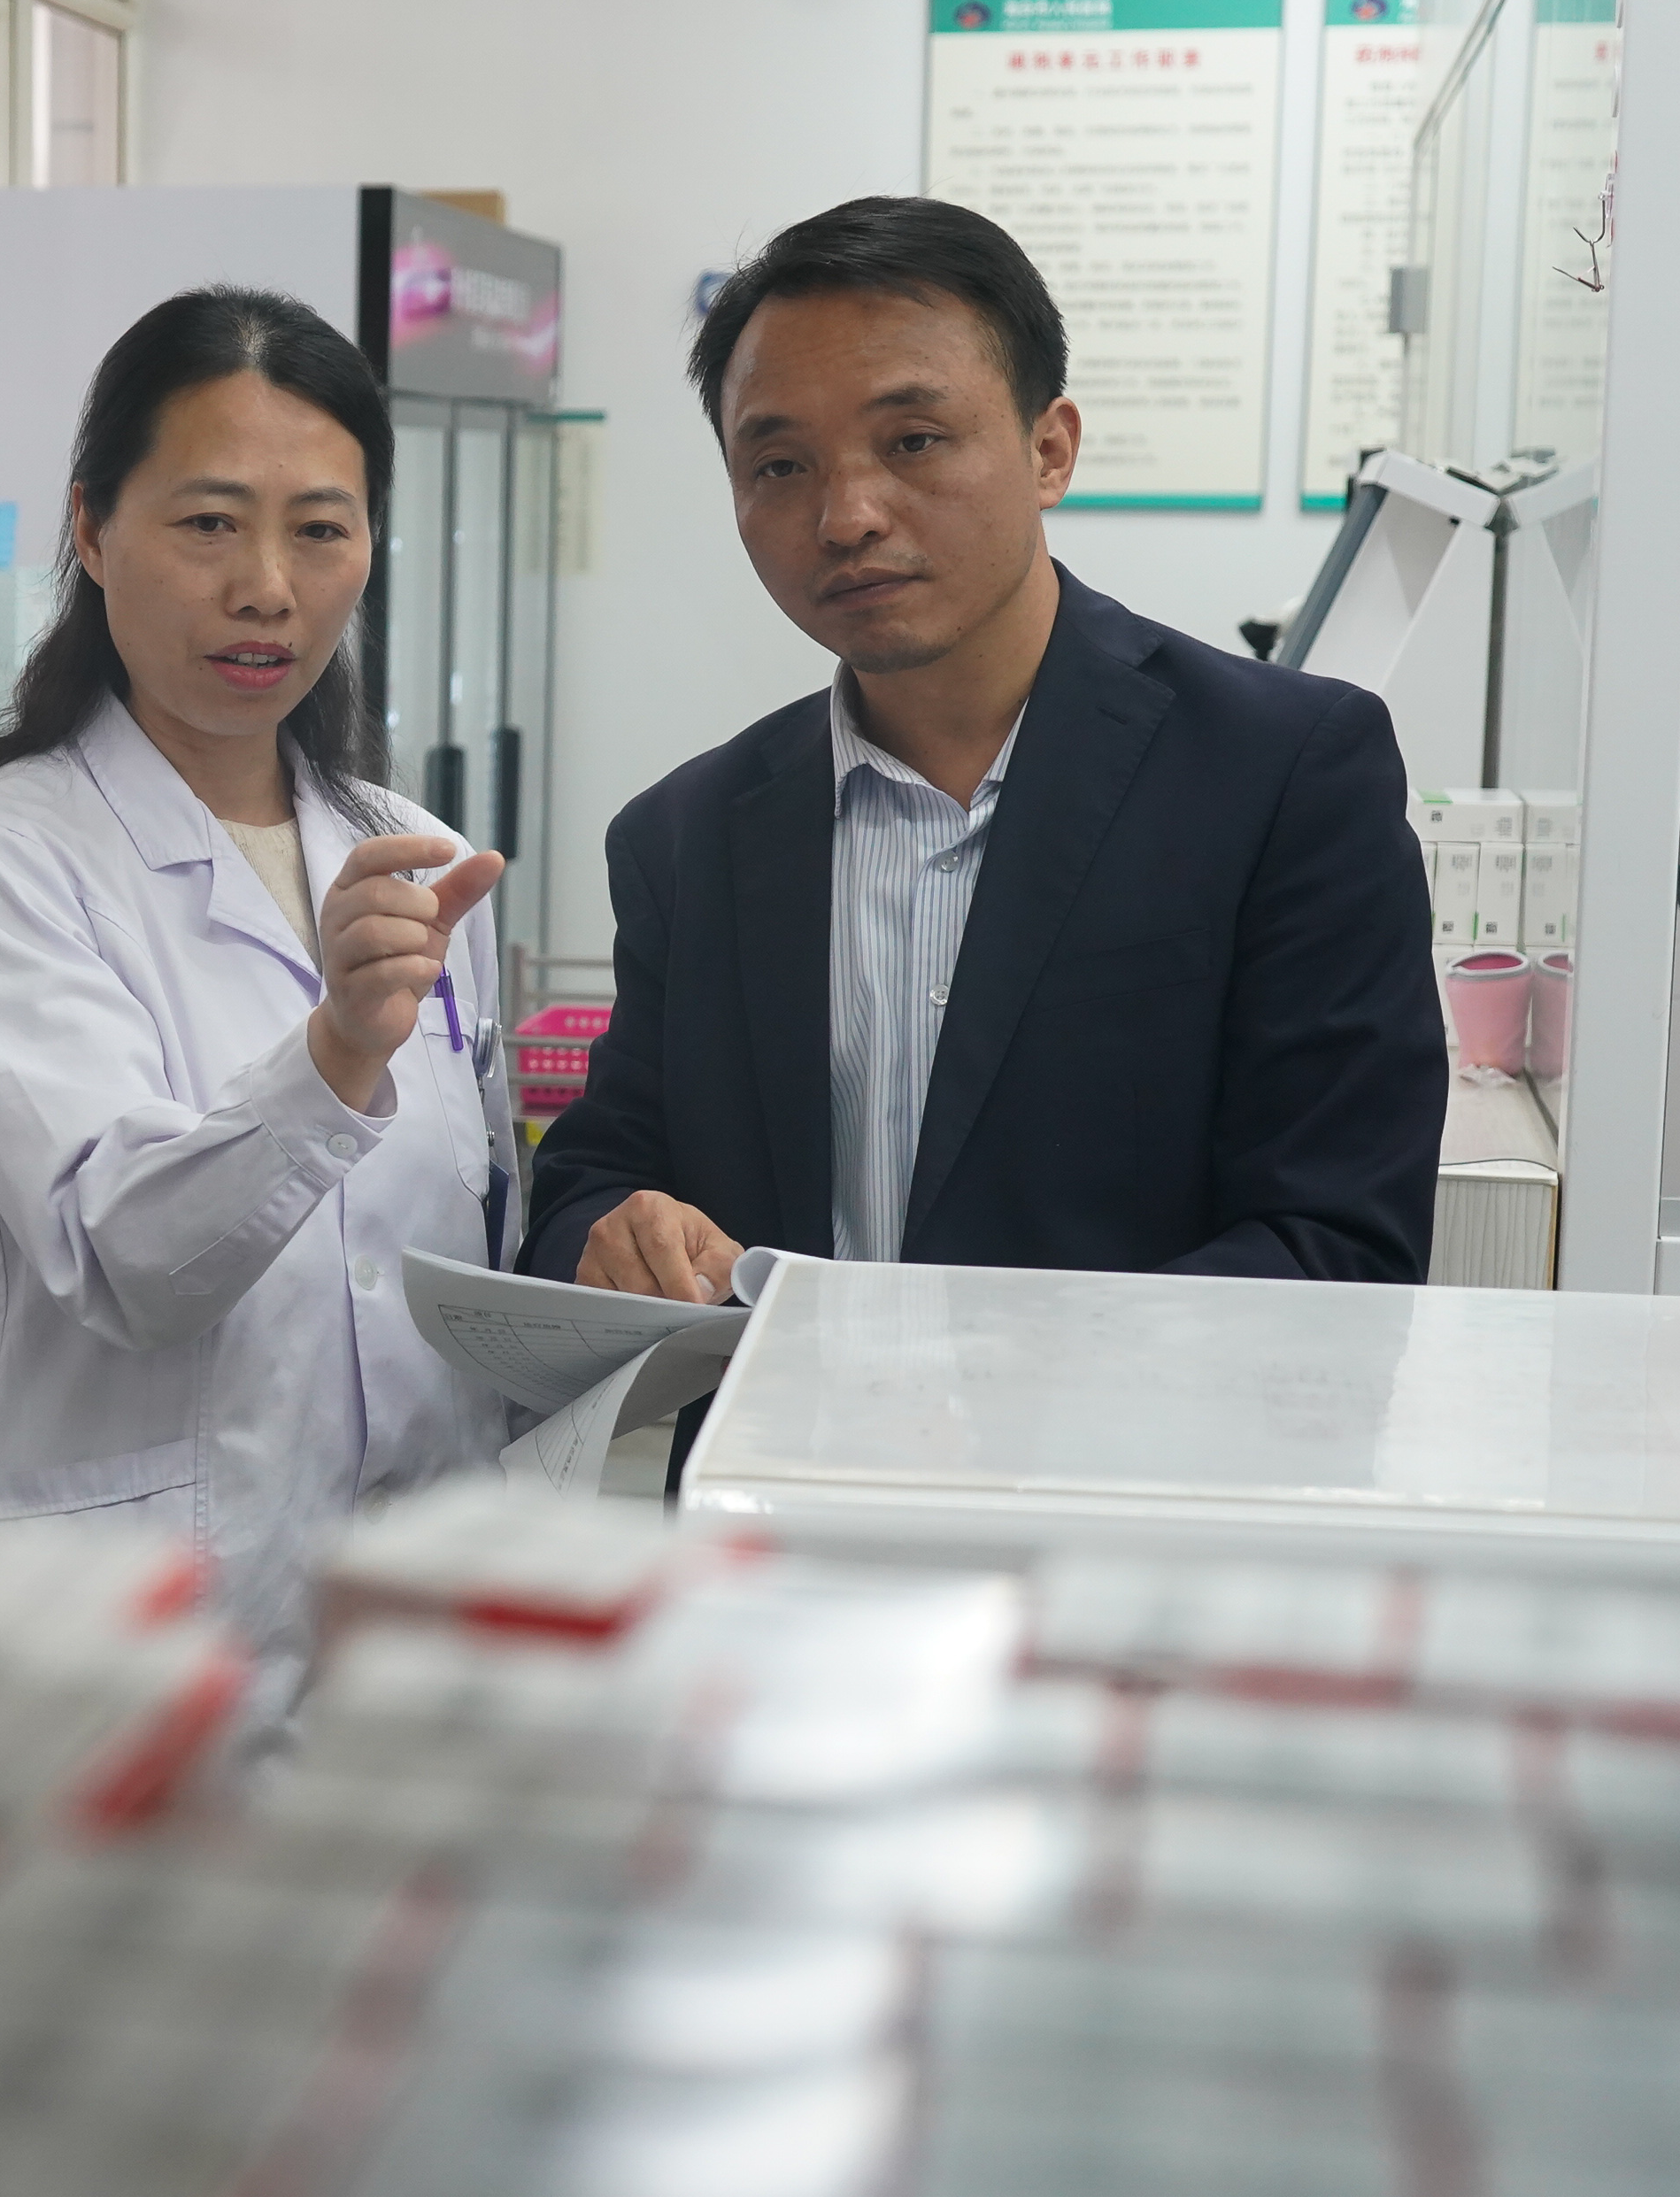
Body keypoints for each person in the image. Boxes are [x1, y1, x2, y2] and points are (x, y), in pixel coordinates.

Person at [527, 197, 1445, 1430]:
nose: (848, 515)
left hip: (1129, 1512)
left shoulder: (1283, 776)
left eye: (913, 440)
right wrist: (614, 1236)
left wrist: (974, 1392)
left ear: (1050, 448)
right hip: (777, 1518)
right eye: (781, 465)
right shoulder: (688, 837)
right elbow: (591, 1183)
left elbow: (1338, 1247)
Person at [0, 287, 514, 1641]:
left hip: (405, 1618)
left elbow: (457, 1258)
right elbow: (125, 1258)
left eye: (321, 529)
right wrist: (337, 1053)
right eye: (210, 522)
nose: (266, 588)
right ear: (91, 530)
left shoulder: (420, 860)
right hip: (110, 1634)